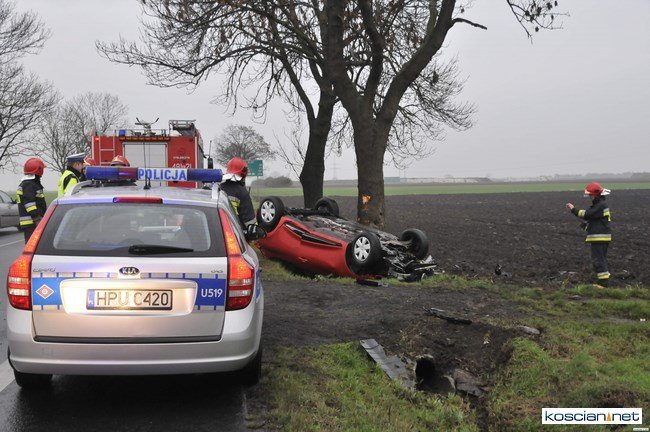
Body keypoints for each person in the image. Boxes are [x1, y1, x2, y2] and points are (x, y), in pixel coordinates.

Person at [566, 182, 612, 287]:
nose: (590, 197)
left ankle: (603, 283)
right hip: (601, 237)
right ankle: (604, 280)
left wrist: (573, 209)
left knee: (598, 260)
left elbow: (586, 214)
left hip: (599, 238)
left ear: (595, 194)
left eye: (590, 195)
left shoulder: (600, 205)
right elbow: (594, 218)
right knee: (601, 259)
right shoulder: (600, 205)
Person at [220, 157, 257, 233]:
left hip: (218, 230)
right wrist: (256, 231)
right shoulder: (242, 192)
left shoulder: (218, 188)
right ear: (244, 173)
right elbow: (250, 222)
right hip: (235, 233)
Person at [17, 158, 47, 243]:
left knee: (35, 245)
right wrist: (37, 218)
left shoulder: (29, 183)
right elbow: (29, 204)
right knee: (32, 246)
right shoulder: (29, 184)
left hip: (31, 222)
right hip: (32, 222)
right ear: (39, 170)